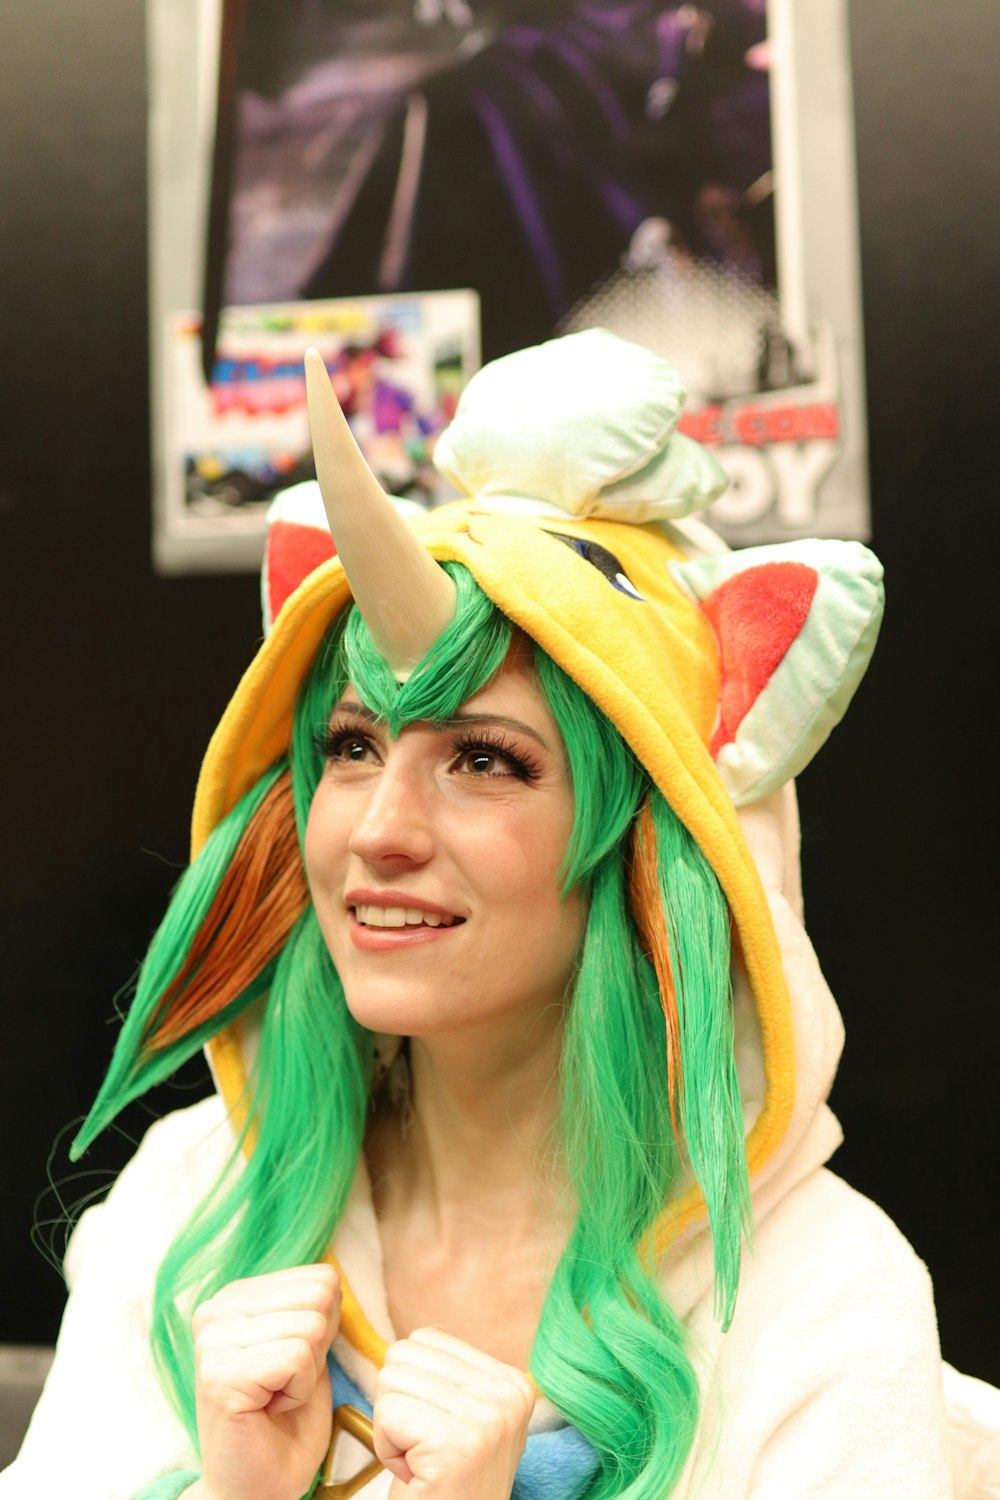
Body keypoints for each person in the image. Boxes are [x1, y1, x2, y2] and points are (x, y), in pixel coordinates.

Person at [3, 331, 997, 1500]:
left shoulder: (810, 1299)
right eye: (352, 745)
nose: (378, 828)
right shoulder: (190, 1212)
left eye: (483, 759)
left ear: (652, 841)